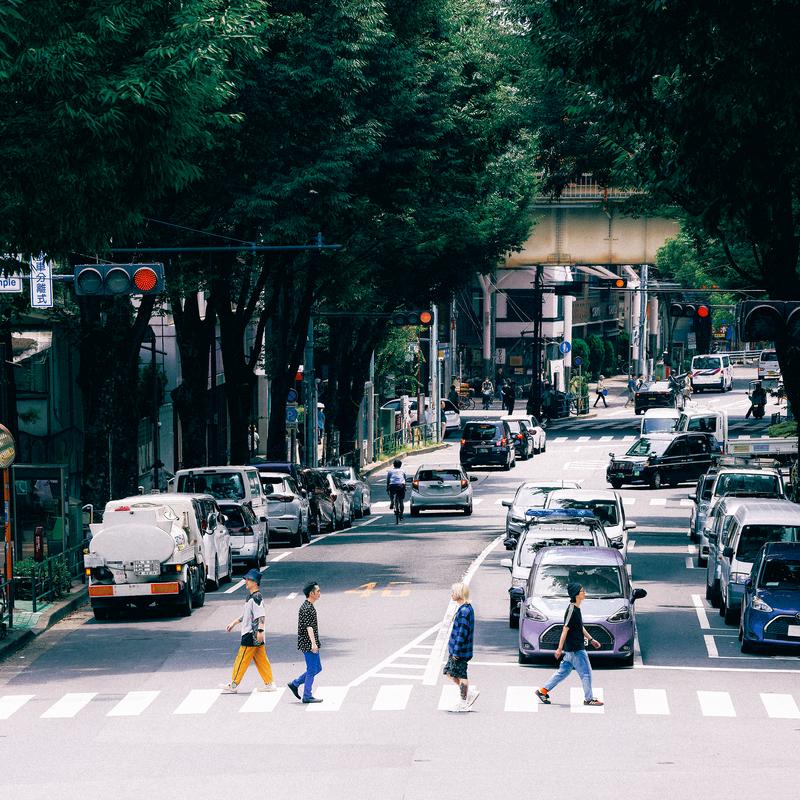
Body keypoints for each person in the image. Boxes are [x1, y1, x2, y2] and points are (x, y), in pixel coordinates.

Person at [535, 582, 603, 707]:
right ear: (576, 594)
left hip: (572, 650)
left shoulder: (576, 608)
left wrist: (591, 639)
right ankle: (589, 699)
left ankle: (542, 691)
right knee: (586, 673)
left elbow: (579, 627)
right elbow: (565, 629)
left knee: (563, 672)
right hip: (575, 649)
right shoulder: (572, 610)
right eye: (582, 591)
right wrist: (559, 649)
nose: (584, 593)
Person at [220, 569, 276, 694]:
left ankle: (234, 684)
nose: (246, 581)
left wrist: (260, 630)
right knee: (261, 659)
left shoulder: (256, 598)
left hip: (251, 634)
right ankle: (269, 683)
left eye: (248, 580)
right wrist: (234, 622)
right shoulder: (251, 597)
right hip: (255, 634)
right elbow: (246, 615)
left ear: (255, 582)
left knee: (241, 659)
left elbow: (261, 615)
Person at [443, 582, 478, 712]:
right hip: (458, 649)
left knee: (461, 674)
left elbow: (462, 633)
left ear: (458, 594)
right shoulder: (465, 608)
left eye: (453, 592)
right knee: (450, 672)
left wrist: (456, 651)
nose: (451, 594)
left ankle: (464, 702)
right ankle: (469, 694)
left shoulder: (464, 611)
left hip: (460, 650)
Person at [287, 582, 323, 703]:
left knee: (317, 668)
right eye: (317, 591)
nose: (319, 593)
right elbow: (309, 627)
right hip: (308, 643)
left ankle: (295, 683)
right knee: (312, 669)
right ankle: (307, 695)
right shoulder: (307, 608)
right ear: (311, 593)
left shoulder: (308, 606)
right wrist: (313, 644)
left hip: (309, 642)